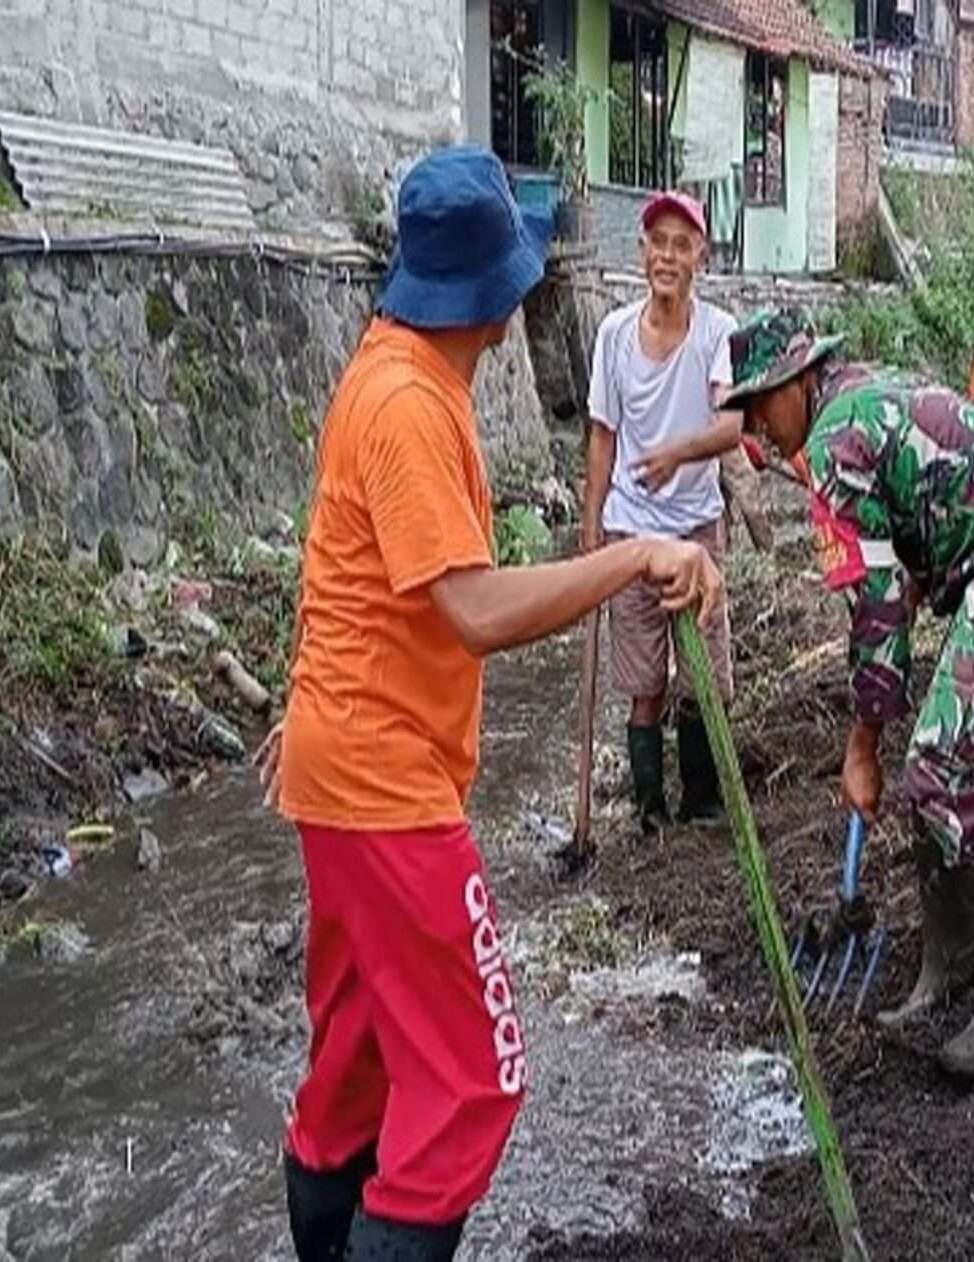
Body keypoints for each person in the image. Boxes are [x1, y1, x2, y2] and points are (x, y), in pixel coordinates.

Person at [264, 146, 722, 1262]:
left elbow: (343, 570)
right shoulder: (412, 403)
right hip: (386, 782)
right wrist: (626, 558)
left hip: (343, 762)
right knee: (475, 1077)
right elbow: (469, 608)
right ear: (500, 291)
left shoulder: (392, 369)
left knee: (357, 1065)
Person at [723, 308, 974, 1079]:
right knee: (936, 766)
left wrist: (861, 749)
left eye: (761, 404)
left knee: (942, 772)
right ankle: (952, 963)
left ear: (798, 379)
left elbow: (881, 606)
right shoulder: (852, 398)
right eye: (747, 412)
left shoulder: (831, 441)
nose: (757, 427)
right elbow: (916, 525)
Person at [581, 191, 741, 835]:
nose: (669, 256)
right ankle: (650, 811)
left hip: (697, 530)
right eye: (659, 243)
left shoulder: (717, 333)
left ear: (700, 255)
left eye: (683, 244)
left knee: (708, 678)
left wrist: (680, 452)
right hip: (629, 531)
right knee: (644, 680)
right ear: (642, 251)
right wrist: (591, 524)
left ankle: (701, 802)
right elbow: (601, 433)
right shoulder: (614, 335)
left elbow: (732, 424)